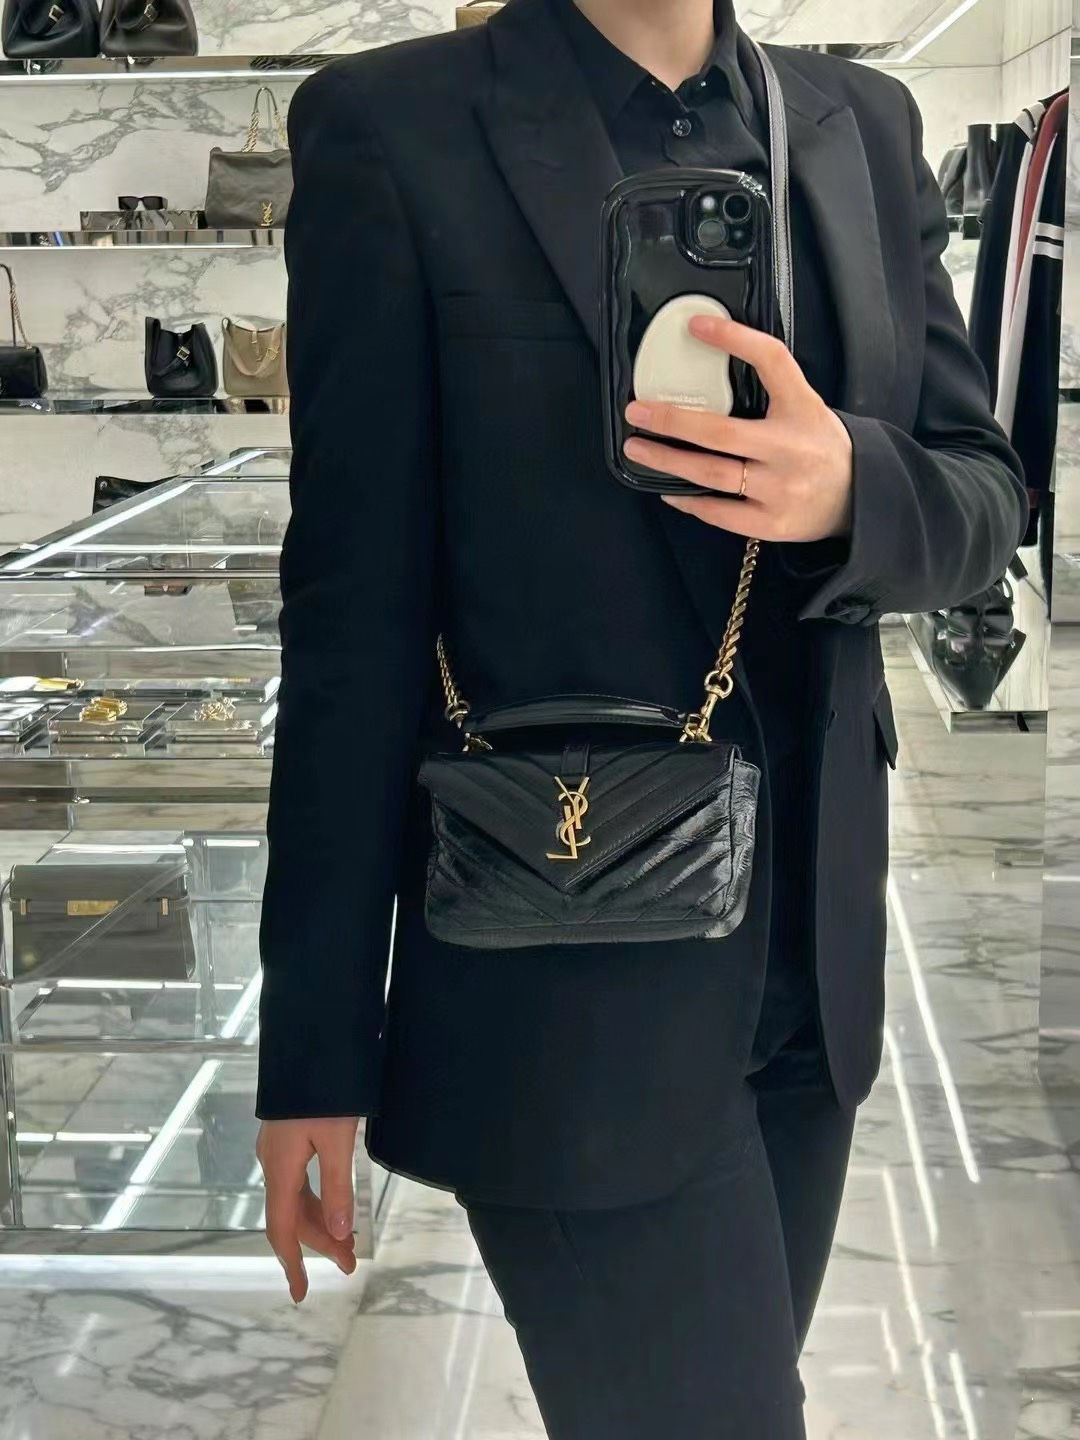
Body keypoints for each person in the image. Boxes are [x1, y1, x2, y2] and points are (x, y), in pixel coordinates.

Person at [255, 0, 1027, 1434]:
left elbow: (985, 493)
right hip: (562, 970)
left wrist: (850, 488)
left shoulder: (861, 126)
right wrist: (313, 1042)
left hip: (812, 974)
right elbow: (354, 619)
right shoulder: (397, 130)